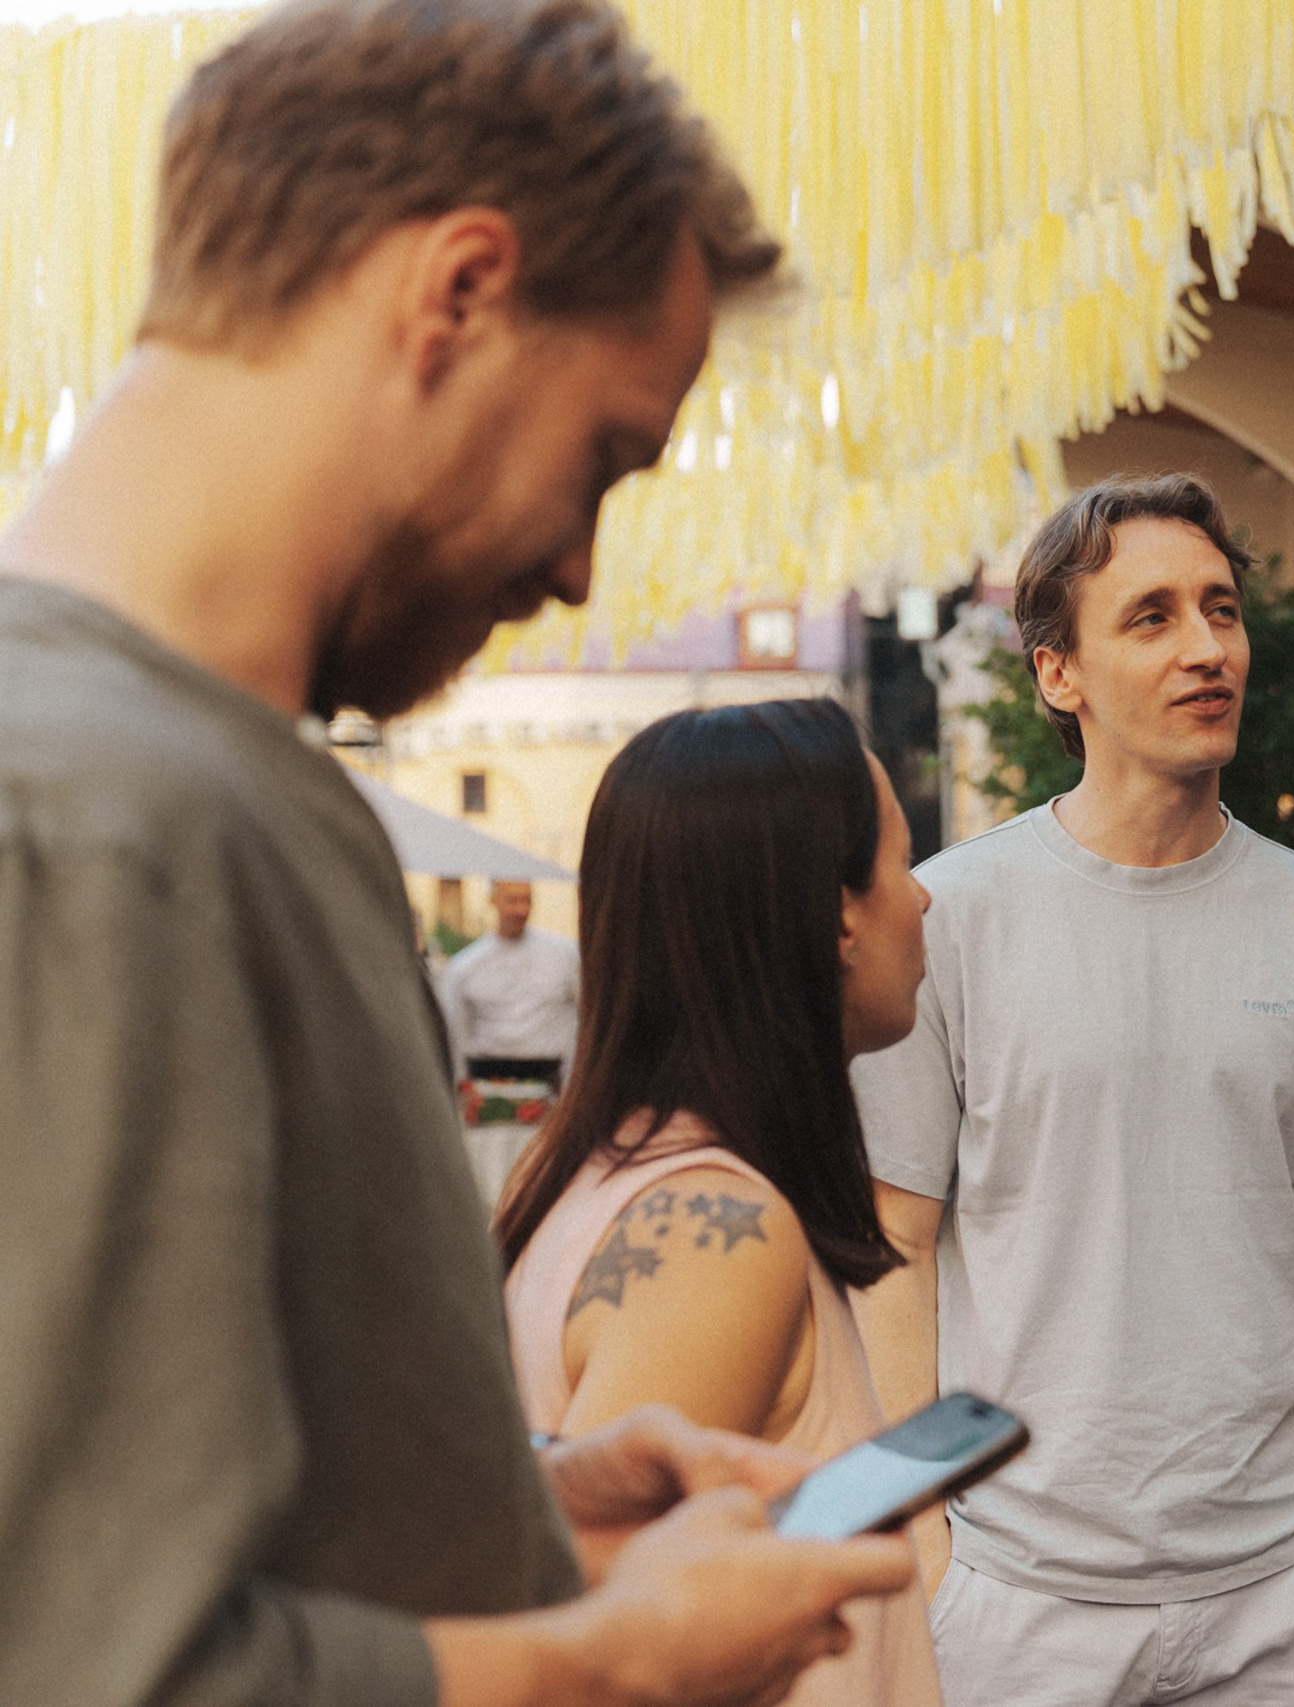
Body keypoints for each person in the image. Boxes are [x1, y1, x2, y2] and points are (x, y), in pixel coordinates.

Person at [0, 3, 913, 1703]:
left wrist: (535, 1509)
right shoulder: (88, 828)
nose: (579, 567)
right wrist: (612, 1663)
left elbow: (182, 1515)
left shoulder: (198, 797)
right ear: (459, 292)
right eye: (604, 457)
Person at [852, 473, 1294, 1707]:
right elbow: (893, 1247)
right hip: (1017, 1603)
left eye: (1220, 610)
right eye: (1152, 617)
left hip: (1280, 1597)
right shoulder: (952, 919)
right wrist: (926, 1553)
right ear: (1056, 674)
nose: (1205, 648)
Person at [498, 698, 941, 1707]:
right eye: (902, 864)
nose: (922, 902)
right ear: (835, 912)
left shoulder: (583, 1171)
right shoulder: (718, 1238)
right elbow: (598, 1661)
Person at [444, 877, 582, 1085]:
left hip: (549, 1074)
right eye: (512, 901)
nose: (521, 910)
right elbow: (456, 1030)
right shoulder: (465, 965)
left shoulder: (565, 955)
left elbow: (585, 1013)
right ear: (493, 900)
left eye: (527, 900)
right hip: (487, 1075)